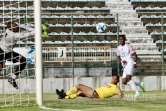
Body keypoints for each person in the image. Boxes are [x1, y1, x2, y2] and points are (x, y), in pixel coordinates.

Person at [0, 21, 35, 89]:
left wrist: (32, 29)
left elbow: (21, 25)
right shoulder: (13, 35)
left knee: (0, 68)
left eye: (17, 25)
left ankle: (12, 78)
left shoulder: (8, 30)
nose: (17, 26)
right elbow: (25, 35)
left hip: (2, 50)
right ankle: (13, 78)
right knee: (23, 60)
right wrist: (35, 32)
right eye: (15, 26)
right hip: (5, 52)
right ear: (12, 28)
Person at [56, 75, 124, 99]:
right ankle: (63, 97)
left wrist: (123, 95)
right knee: (79, 93)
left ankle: (63, 94)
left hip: (96, 94)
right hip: (95, 94)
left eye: (115, 79)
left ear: (118, 80)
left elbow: (120, 94)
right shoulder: (110, 84)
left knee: (79, 86)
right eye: (113, 78)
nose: (113, 80)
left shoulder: (116, 88)